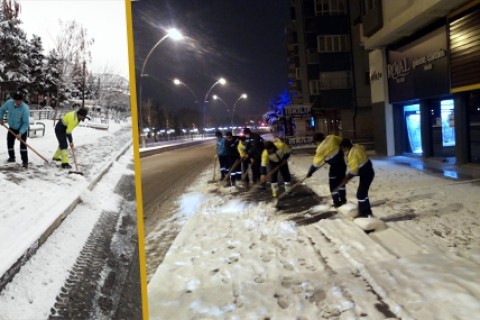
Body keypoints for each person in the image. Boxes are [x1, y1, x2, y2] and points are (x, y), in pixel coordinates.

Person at [306, 133, 347, 207]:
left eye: (315, 143)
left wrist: (310, 172)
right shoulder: (331, 137)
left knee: (333, 185)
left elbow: (315, 164)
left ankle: (337, 202)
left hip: (335, 167)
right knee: (341, 182)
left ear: (317, 141)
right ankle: (343, 200)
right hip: (342, 165)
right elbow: (342, 141)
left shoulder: (320, 149)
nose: (316, 144)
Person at [339, 138, 375, 217]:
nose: (342, 150)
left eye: (342, 148)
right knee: (363, 193)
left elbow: (354, 170)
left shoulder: (352, 154)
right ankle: (367, 211)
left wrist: (346, 178)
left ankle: (363, 213)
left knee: (360, 194)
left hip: (367, 174)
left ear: (345, 147)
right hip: (366, 172)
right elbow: (362, 148)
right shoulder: (356, 147)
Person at [0, 91, 30, 168]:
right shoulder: (9, 103)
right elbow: (2, 109)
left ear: (22, 100)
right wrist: (0, 118)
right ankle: (12, 157)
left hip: (21, 128)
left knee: (23, 145)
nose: (18, 102)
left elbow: (25, 123)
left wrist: (20, 133)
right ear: (14, 100)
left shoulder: (25, 109)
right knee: (9, 142)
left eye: (20, 101)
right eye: (16, 100)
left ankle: (25, 161)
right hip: (12, 127)